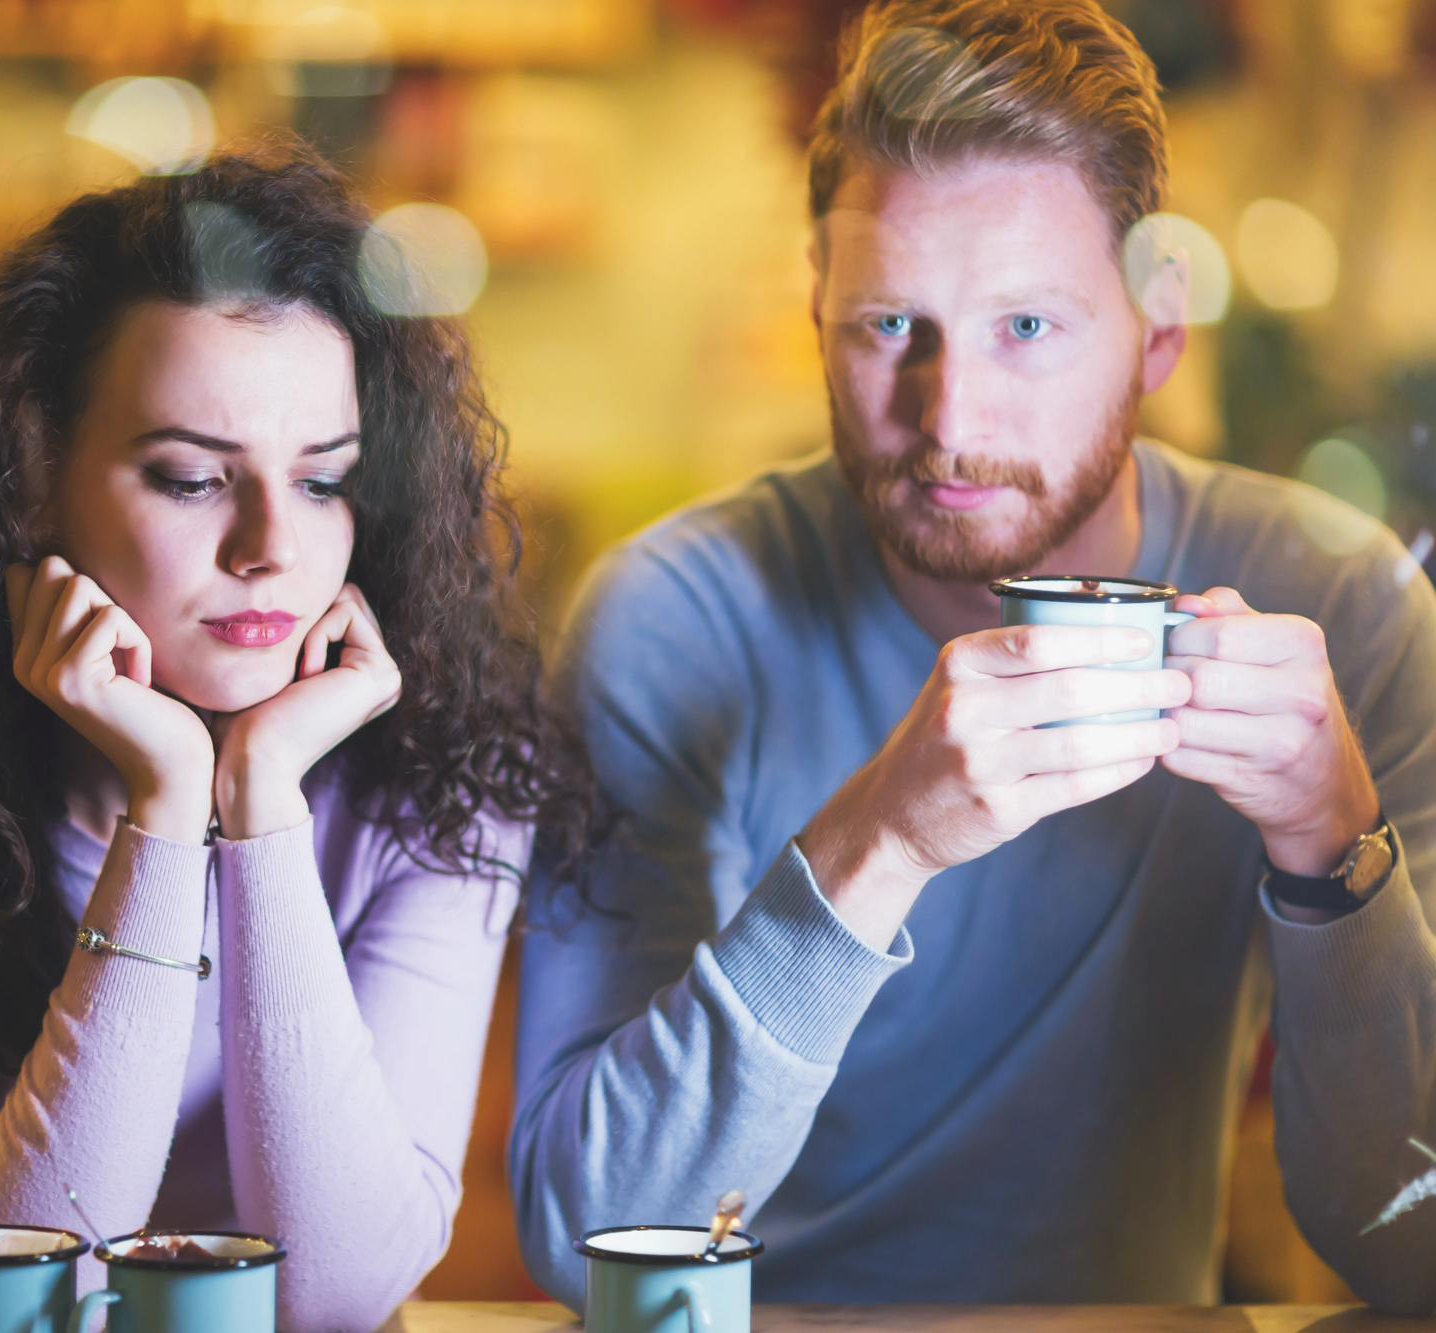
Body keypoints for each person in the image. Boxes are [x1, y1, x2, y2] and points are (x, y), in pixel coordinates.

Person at [511, 0, 1436, 1312]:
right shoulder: (671, 617)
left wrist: (1337, 851)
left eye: (1027, 328)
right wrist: (875, 845)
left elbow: (1413, 1241)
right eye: (891, 326)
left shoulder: (1338, 608)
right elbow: (582, 1234)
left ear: (1158, 328)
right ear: (817, 306)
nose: (948, 417)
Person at [0, 143, 591, 1333]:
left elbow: (339, 1291)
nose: (268, 548)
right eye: (192, 478)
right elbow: (23, 1282)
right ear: (32, 478)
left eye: (321, 482)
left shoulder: (450, 774)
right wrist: (166, 805)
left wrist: (259, 807)